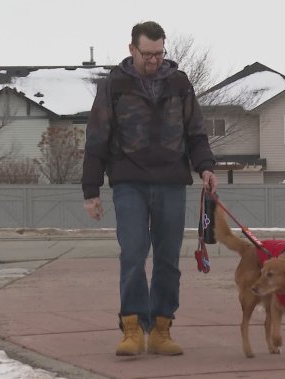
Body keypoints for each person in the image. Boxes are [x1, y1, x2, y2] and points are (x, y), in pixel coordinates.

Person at [81, 21, 218, 357]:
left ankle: (160, 328)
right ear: (132, 50)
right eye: (147, 54)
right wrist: (91, 190)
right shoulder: (115, 84)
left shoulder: (180, 84)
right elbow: (97, 138)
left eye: (159, 53)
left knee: (168, 259)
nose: (154, 60)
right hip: (129, 182)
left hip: (172, 182)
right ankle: (131, 328)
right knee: (133, 252)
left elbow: (196, 132)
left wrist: (205, 167)